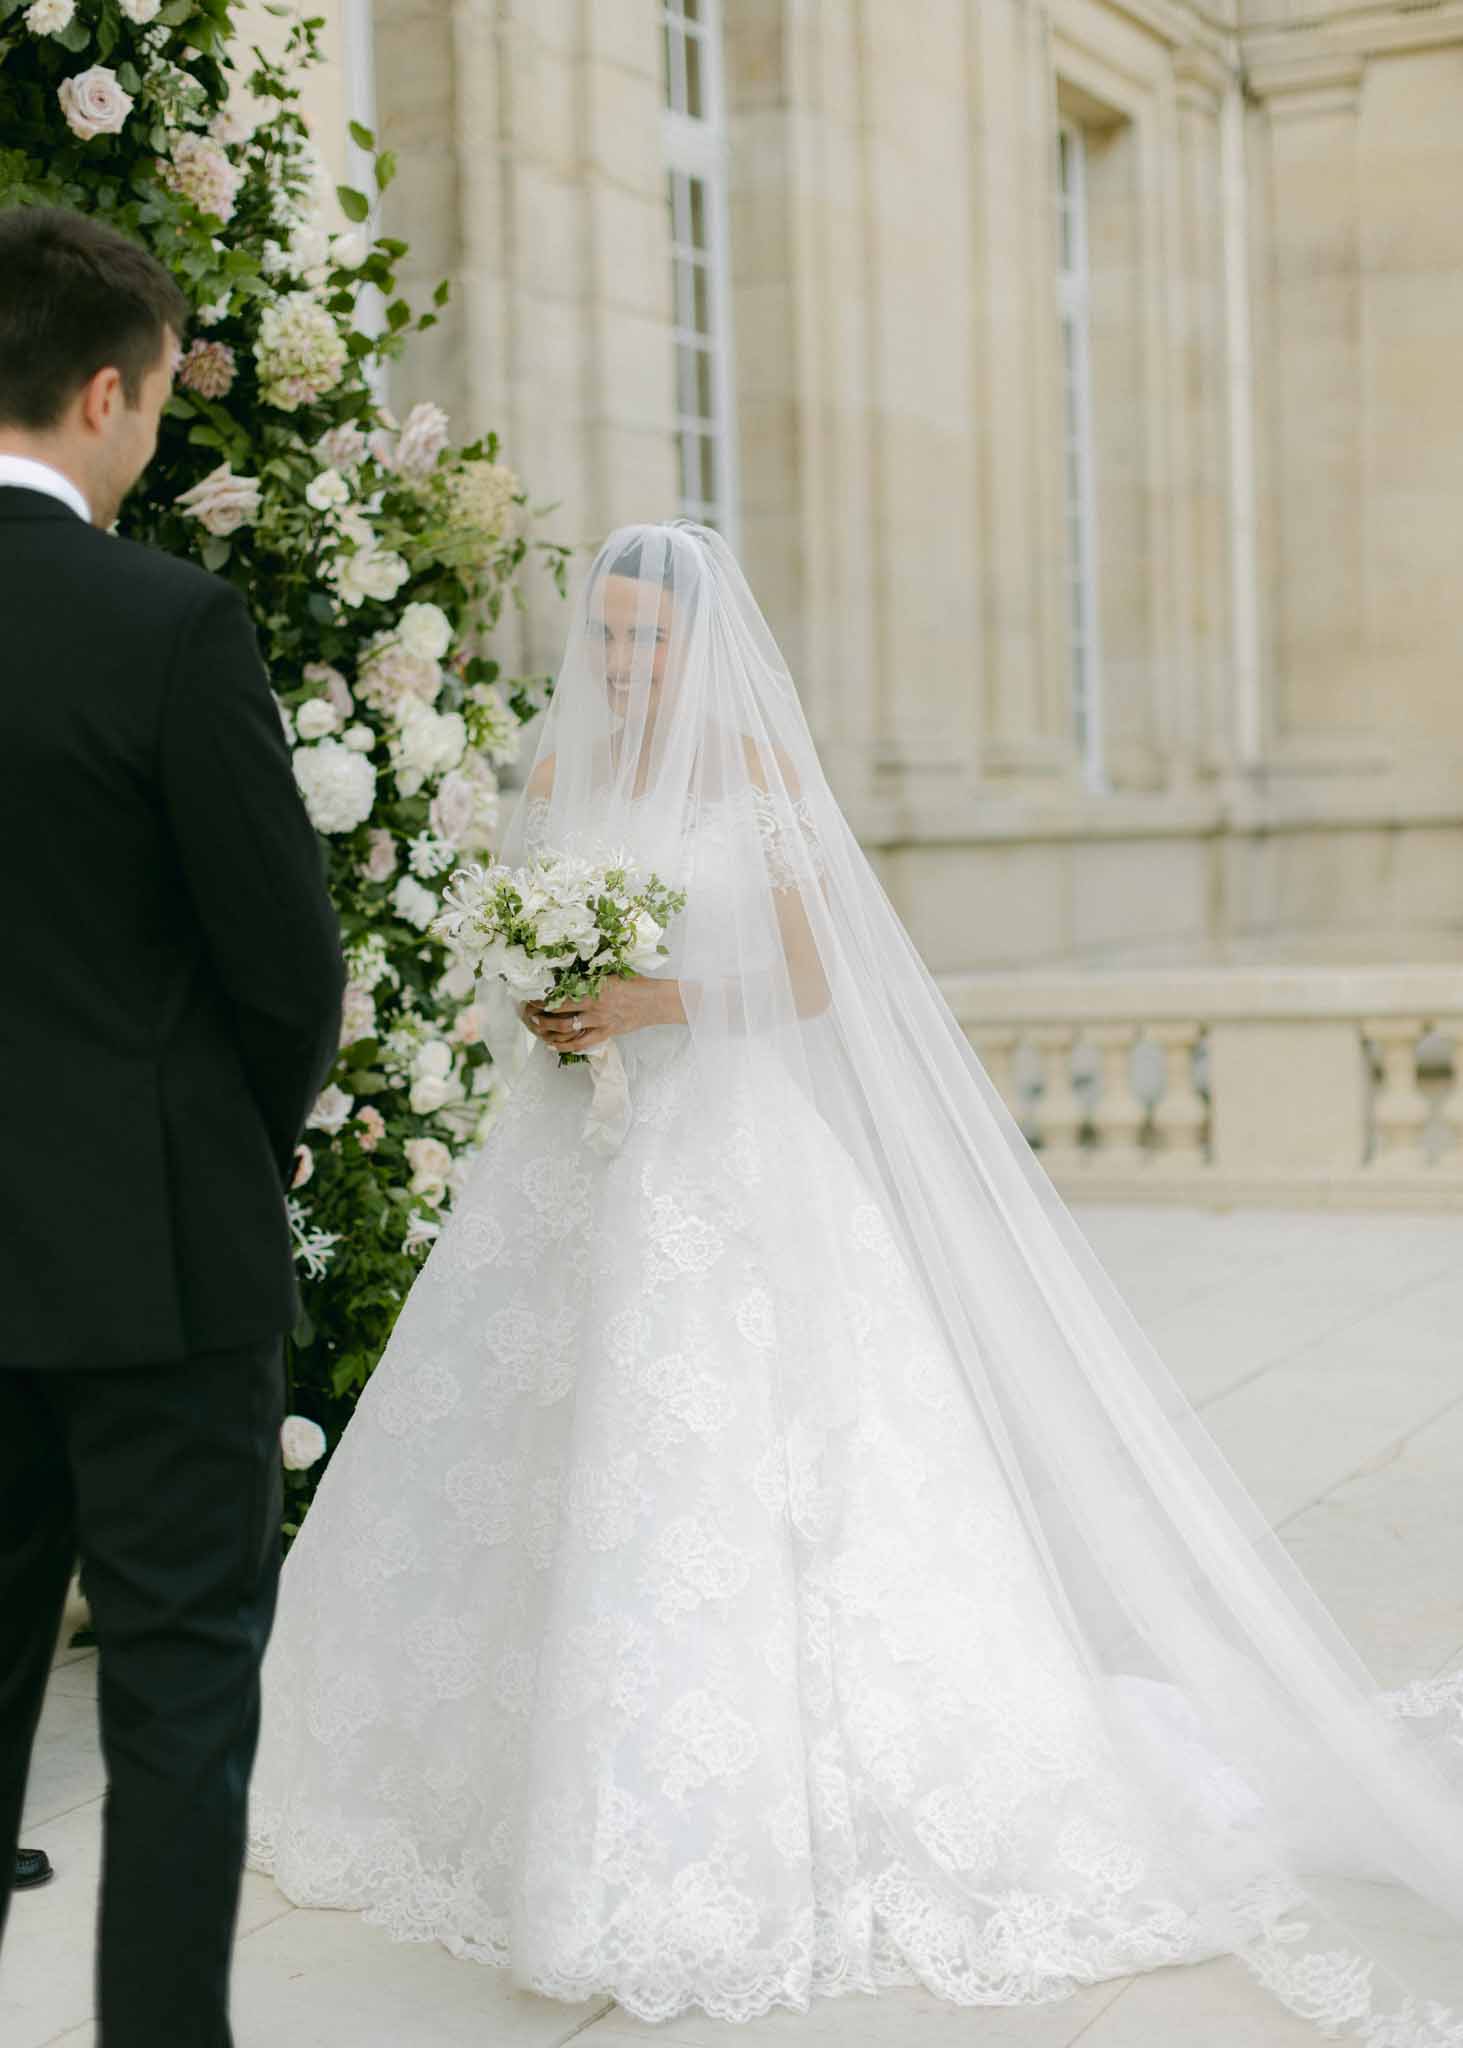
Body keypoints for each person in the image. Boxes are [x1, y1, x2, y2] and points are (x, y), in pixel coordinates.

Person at [249, 521, 1463, 2039]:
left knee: (725, 1466)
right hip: (574, 1160)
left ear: (702, 649)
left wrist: (657, 997)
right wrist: (555, 1007)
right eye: (610, 641)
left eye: (651, 643)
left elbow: (810, 982)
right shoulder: (564, 781)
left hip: (723, 1156)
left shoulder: (754, 783)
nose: (628, 668)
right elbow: (515, 951)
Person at [0, 204, 345, 2046]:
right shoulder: (166, 618)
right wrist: (245, 1131)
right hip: (154, 1258)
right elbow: (285, 962)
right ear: (110, 388)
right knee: (183, 1687)